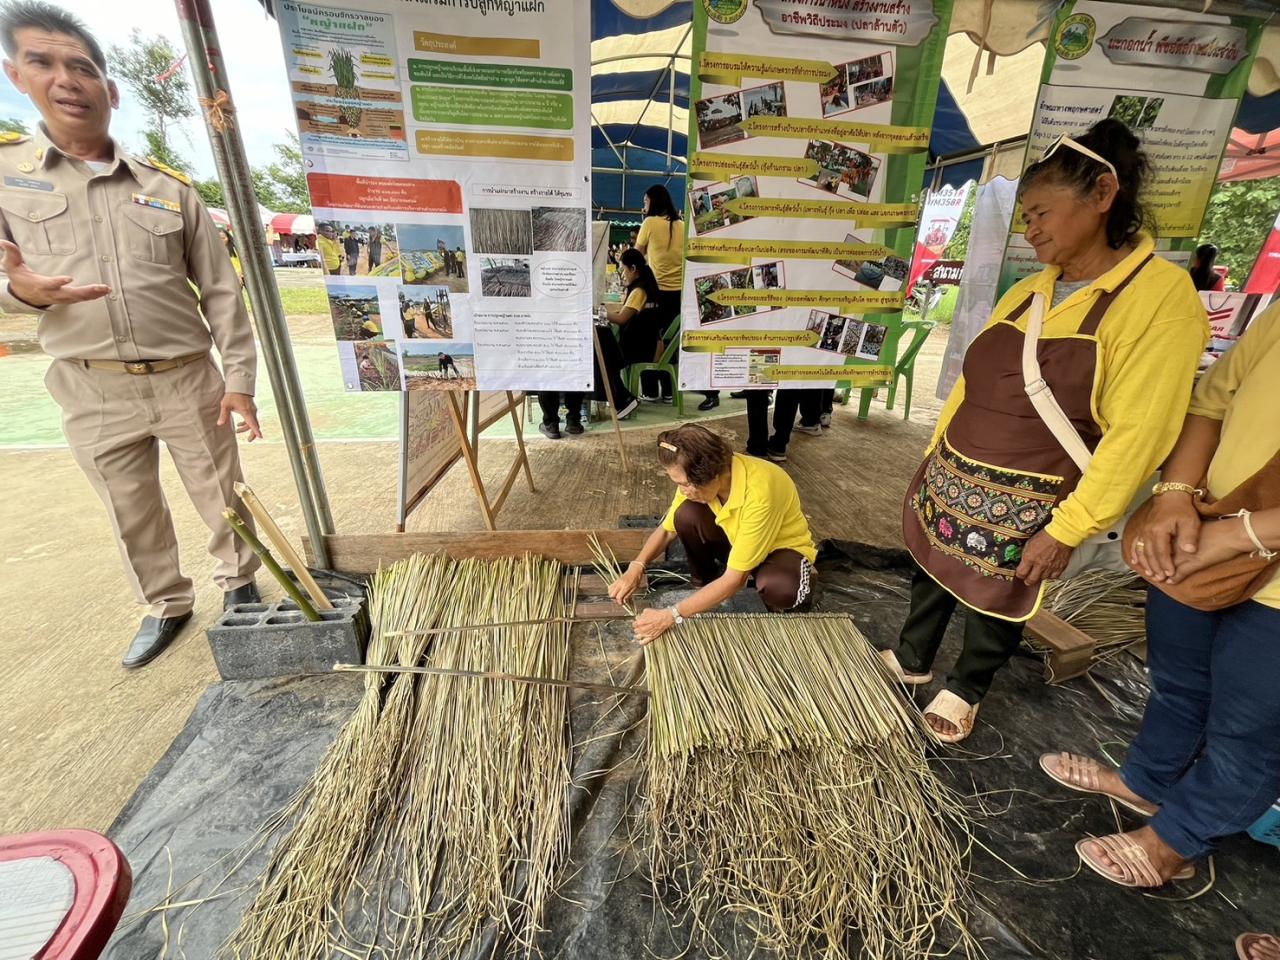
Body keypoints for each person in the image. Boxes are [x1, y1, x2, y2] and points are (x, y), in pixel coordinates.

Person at [879, 119, 1209, 742]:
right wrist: (931, 456)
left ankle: (968, 683)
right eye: (1025, 217)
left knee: (1005, 584)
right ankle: (915, 660)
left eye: (1040, 213)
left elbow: (1140, 434)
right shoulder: (1029, 293)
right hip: (956, 471)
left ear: (1103, 194)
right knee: (934, 563)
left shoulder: (1159, 297)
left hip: (1036, 494)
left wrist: (1070, 526)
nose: (1029, 229)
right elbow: (974, 385)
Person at [0, 1, 261, 668]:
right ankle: (166, 603)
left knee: (220, 493)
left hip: (184, 377)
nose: (67, 79)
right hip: (90, 384)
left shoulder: (170, 191)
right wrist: (15, 292)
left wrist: (239, 383)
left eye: (82, 67)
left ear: (109, 90)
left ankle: (241, 587)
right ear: (15, 75)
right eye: (44, 62)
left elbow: (223, 294)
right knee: (129, 507)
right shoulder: (7, 181)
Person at [1040, 302, 1280, 888]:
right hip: (1197, 534)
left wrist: (1238, 535)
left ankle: (1176, 841)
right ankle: (1146, 783)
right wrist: (1175, 497)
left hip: (1241, 554)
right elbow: (1210, 402)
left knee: (1249, 726)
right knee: (1179, 682)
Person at [608, 424, 817, 641]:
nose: (682, 490)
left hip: (777, 553)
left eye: (686, 484)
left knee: (780, 588)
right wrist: (636, 567)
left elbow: (735, 579)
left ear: (713, 475)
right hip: (737, 543)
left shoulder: (761, 491)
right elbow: (666, 531)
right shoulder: (696, 477)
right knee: (686, 514)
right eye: (678, 484)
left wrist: (671, 615)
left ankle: (768, 605)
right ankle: (703, 586)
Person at [635, 185, 691, 405]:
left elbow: (635, 256)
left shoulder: (649, 223)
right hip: (679, 296)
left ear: (653, 202)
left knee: (648, 341)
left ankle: (650, 391)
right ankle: (669, 391)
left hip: (655, 294)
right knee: (671, 342)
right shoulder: (682, 226)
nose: (644, 206)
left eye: (645, 201)